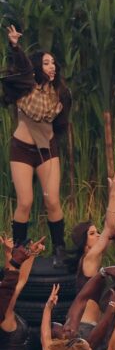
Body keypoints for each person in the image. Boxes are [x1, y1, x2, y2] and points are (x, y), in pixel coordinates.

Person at [2, 25, 72, 253]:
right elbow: (23, 66)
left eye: (53, 63)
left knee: (52, 201)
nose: (52, 67)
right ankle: (19, 248)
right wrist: (15, 46)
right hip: (22, 149)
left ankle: (59, 248)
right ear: (37, 67)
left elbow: (61, 123)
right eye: (46, 63)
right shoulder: (26, 88)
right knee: (25, 202)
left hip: (46, 150)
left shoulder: (59, 93)